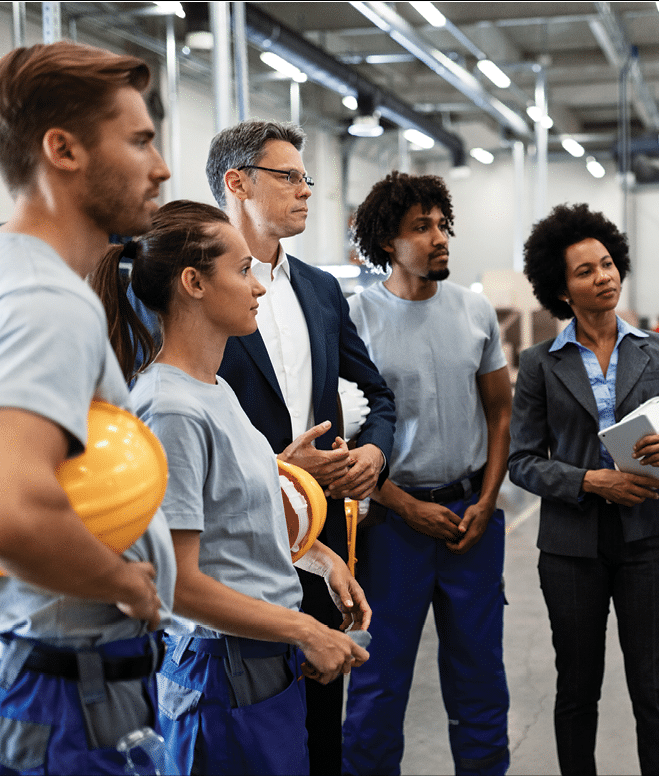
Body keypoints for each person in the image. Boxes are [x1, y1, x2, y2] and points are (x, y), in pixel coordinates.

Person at [0, 41, 175, 774]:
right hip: (59, 700)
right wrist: (123, 582)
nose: (161, 166)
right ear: (63, 149)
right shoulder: (45, 301)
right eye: (139, 141)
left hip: (20, 681)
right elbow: (0, 511)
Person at [90, 200, 372, 774]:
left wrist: (318, 558)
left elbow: (233, 514)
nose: (259, 288)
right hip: (221, 675)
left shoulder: (215, 390)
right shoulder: (170, 408)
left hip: (262, 666)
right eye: (242, 271)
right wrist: (304, 629)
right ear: (193, 282)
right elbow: (178, 583)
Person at [507, 203, 659, 776]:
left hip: (649, 543)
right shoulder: (539, 364)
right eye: (585, 271)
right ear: (561, 288)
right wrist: (590, 480)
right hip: (570, 548)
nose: (603, 277)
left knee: (655, 693)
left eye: (607, 264)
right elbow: (523, 463)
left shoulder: (656, 352)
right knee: (577, 691)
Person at [204, 119, 396, 773]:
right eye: (288, 177)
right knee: (238, 723)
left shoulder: (321, 289)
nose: (305, 191)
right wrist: (280, 470)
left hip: (318, 542)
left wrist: (372, 455)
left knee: (319, 724)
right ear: (238, 183)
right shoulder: (196, 287)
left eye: (304, 178)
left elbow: (378, 393)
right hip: (227, 551)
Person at [341, 171, 512, 776]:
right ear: (388, 241)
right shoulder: (355, 318)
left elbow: (499, 411)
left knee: (480, 677)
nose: (440, 238)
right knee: (379, 680)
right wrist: (404, 506)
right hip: (392, 526)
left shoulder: (474, 311)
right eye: (422, 227)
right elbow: (348, 438)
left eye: (442, 225)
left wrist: (489, 500)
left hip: (471, 520)